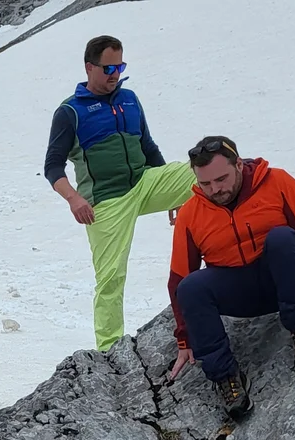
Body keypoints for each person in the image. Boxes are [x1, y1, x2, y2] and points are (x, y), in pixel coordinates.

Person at [165, 136, 295, 418]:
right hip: (238, 293)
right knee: (190, 287)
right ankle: (226, 378)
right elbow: (178, 279)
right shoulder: (191, 213)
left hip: (283, 281)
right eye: (206, 184)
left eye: (221, 179)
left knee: (283, 238)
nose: (215, 190)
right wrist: (185, 340)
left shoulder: (277, 183)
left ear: (238, 164)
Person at [45, 34, 195, 351]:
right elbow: (52, 167)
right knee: (111, 278)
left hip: (143, 182)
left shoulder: (129, 99)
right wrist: (74, 199)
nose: (115, 74)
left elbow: (149, 147)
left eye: (120, 66)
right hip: (105, 201)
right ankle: (110, 349)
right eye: (108, 68)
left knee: (202, 172)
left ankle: (237, 262)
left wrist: (172, 191)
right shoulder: (69, 112)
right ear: (89, 67)